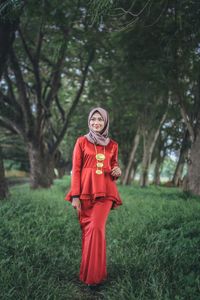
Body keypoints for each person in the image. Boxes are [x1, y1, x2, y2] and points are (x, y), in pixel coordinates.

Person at [65, 107, 122, 287]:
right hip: (84, 193)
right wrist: (75, 195)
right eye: (93, 119)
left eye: (100, 120)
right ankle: (89, 273)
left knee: (97, 229)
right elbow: (76, 170)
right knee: (88, 232)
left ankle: (94, 279)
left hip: (105, 193)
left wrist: (117, 171)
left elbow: (114, 167)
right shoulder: (81, 142)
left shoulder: (113, 145)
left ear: (105, 122)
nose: (96, 122)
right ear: (89, 121)